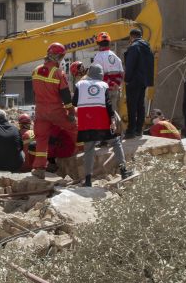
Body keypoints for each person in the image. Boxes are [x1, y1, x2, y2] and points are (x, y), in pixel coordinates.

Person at [73, 64, 128, 187]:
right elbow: (109, 105)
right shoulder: (103, 85)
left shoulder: (79, 85)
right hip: (102, 122)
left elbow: (74, 102)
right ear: (101, 74)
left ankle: (88, 181)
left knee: (88, 150)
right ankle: (124, 171)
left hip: (86, 123)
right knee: (116, 143)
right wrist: (112, 120)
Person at [30, 43, 78, 179]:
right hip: (55, 110)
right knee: (74, 128)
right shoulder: (58, 73)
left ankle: (39, 168)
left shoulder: (35, 70)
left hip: (40, 111)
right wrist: (71, 112)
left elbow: (35, 92)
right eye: (62, 57)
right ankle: (82, 153)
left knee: (41, 139)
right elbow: (66, 95)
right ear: (58, 56)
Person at [123, 28, 155, 138]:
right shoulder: (147, 47)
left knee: (132, 106)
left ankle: (131, 131)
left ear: (131, 36)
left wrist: (127, 79)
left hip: (134, 81)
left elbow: (130, 65)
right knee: (140, 105)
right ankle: (139, 129)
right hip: (144, 81)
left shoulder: (134, 47)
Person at [92, 32, 124, 117]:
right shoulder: (115, 56)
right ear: (109, 43)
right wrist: (115, 84)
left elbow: (96, 75)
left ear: (98, 43)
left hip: (104, 90)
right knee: (114, 112)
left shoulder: (98, 57)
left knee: (104, 113)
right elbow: (122, 73)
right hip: (115, 89)